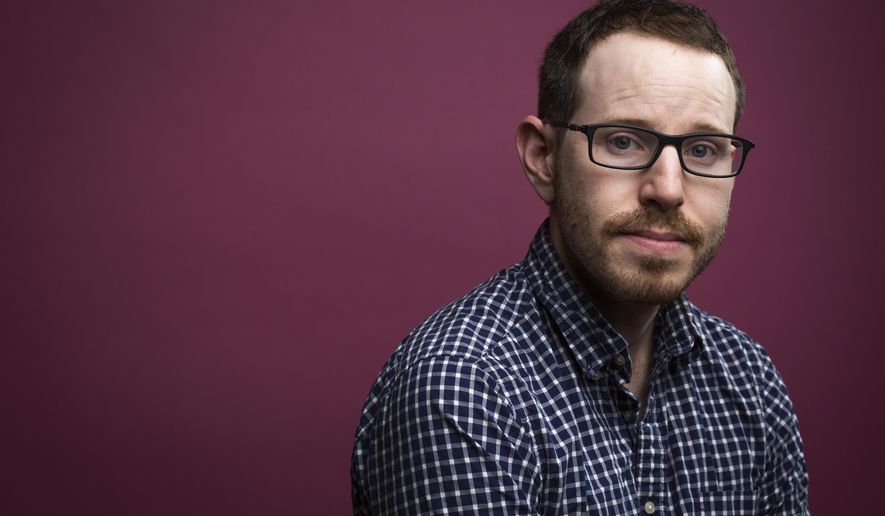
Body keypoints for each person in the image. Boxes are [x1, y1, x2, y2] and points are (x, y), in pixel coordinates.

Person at [351, 0, 809, 514]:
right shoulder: (463, 386)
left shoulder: (748, 379)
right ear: (543, 157)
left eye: (703, 150)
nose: (668, 189)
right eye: (623, 141)